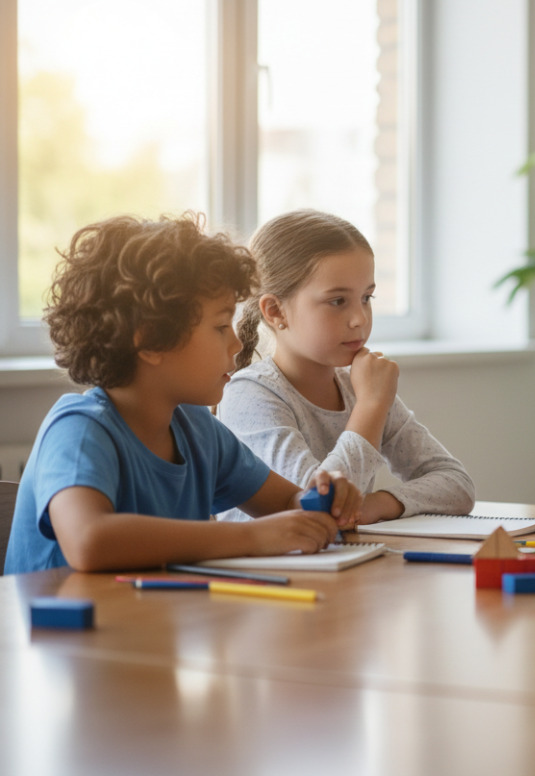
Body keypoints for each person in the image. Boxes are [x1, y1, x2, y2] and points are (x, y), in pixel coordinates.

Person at [5, 214, 361, 575]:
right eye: (221, 327)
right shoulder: (80, 431)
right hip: (58, 631)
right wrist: (251, 538)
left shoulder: (196, 428)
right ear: (150, 340)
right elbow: (89, 541)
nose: (237, 343)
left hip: (143, 624)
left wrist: (318, 497)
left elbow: (285, 501)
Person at [217, 210, 474, 525]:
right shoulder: (249, 394)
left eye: (367, 297)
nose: (360, 319)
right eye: (338, 301)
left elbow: (456, 484)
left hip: (341, 565)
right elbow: (317, 505)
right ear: (275, 311)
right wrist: (371, 406)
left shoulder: (359, 386)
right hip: (266, 570)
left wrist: (379, 503)